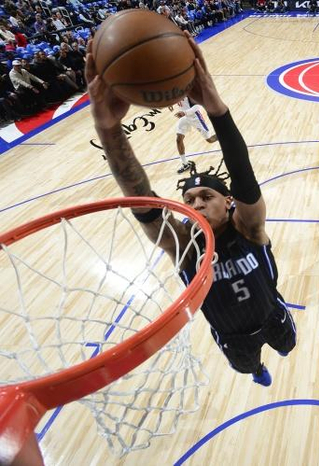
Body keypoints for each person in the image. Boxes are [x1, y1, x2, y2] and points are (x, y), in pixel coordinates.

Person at [86, 32, 296, 387]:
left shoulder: (248, 228)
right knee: (249, 368)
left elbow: (243, 174)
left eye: (205, 196)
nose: (196, 203)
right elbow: (141, 198)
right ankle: (258, 368)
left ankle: (280, 351)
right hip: (233, 337)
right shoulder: (184, 246)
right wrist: (108, 129)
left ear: (228, 201)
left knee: (288, 347)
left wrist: (216, 109)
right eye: (190, 200)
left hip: (272, 315)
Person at [168, 96, 219, 174]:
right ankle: (185, 164)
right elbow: (175, 98)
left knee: (210, 140)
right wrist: (170, 103)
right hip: (184, 118)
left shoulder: (189, 92)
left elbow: (198, 106)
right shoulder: (176, 91)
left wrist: (184, 112)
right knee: (178, 140)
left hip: (195, 117)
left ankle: (222, 135)